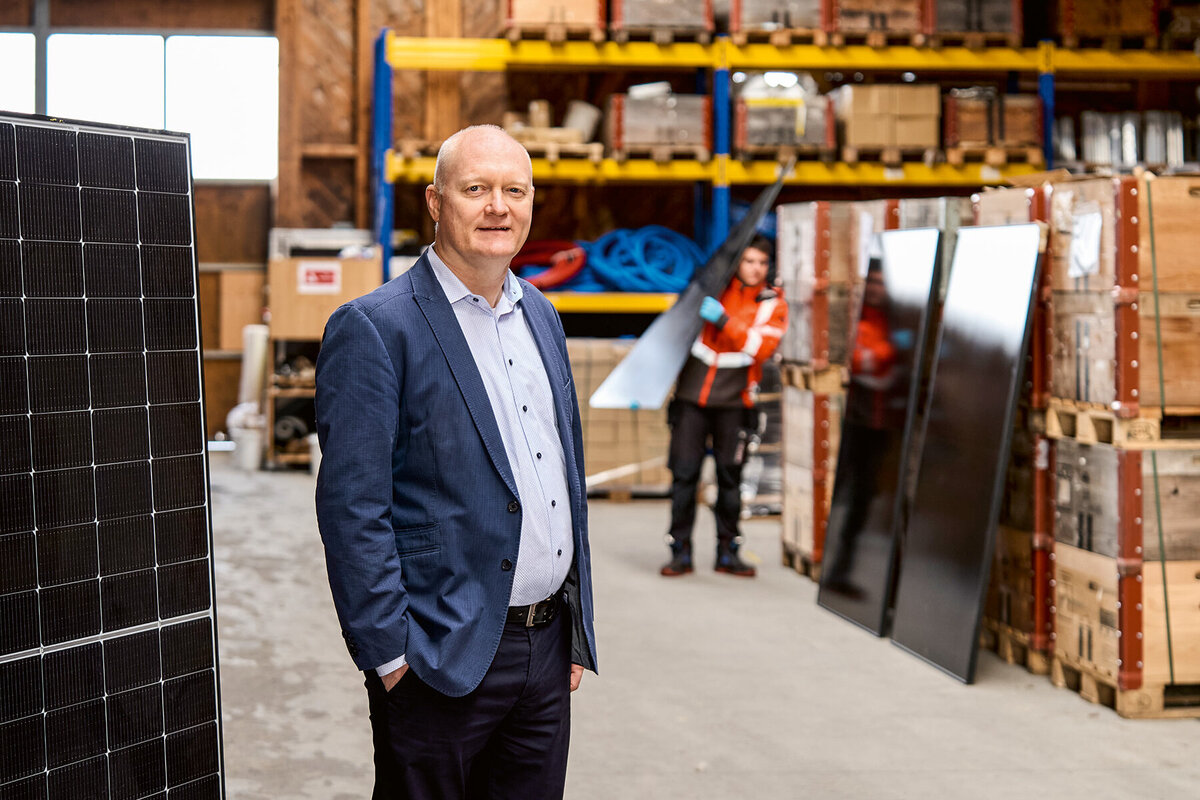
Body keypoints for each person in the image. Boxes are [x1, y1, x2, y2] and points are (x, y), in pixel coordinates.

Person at [314, 124, 597, 800]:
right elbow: (354, 507)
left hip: (546, 649)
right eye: (476, 189)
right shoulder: (378, 327)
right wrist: (390, 656)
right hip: (438, 655)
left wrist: (573, 629)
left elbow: (560, 476)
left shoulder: (544, 317)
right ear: (437, 204)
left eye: (514, 190)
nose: (498, 206)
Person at [661, 236, 788, 578]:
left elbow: (761, 347)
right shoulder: (715, 287)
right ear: (738, 263)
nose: (755, 268)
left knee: (730, 482)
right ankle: (680, 553)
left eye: (762, 262)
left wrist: (724, 321)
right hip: (692, 400)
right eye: (749, 261)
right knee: (684, 477)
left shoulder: (773, 303)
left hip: (735, 403)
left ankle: (728, 553)